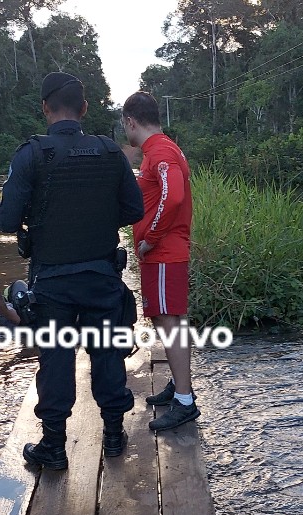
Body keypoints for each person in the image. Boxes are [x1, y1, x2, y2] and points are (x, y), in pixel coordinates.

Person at [0, 72, 144, 470]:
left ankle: (54, 447)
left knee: (56, 360)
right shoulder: (109, 152)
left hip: (53, 282)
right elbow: (134, 211)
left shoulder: (31, 154)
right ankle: (113, 435)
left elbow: (7, 220)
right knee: (108, 355)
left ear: (45, 107)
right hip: (101, 278)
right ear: (84, 108)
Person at [121, 91, 198, 432]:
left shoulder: (162, 151)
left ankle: (185, 400)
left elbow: (174, 195)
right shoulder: (158, 150)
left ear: (131, 121)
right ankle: (178, 385)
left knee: (170, 321)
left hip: (164, 252)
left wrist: (150, 236)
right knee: (167, 320)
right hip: (161, 255)